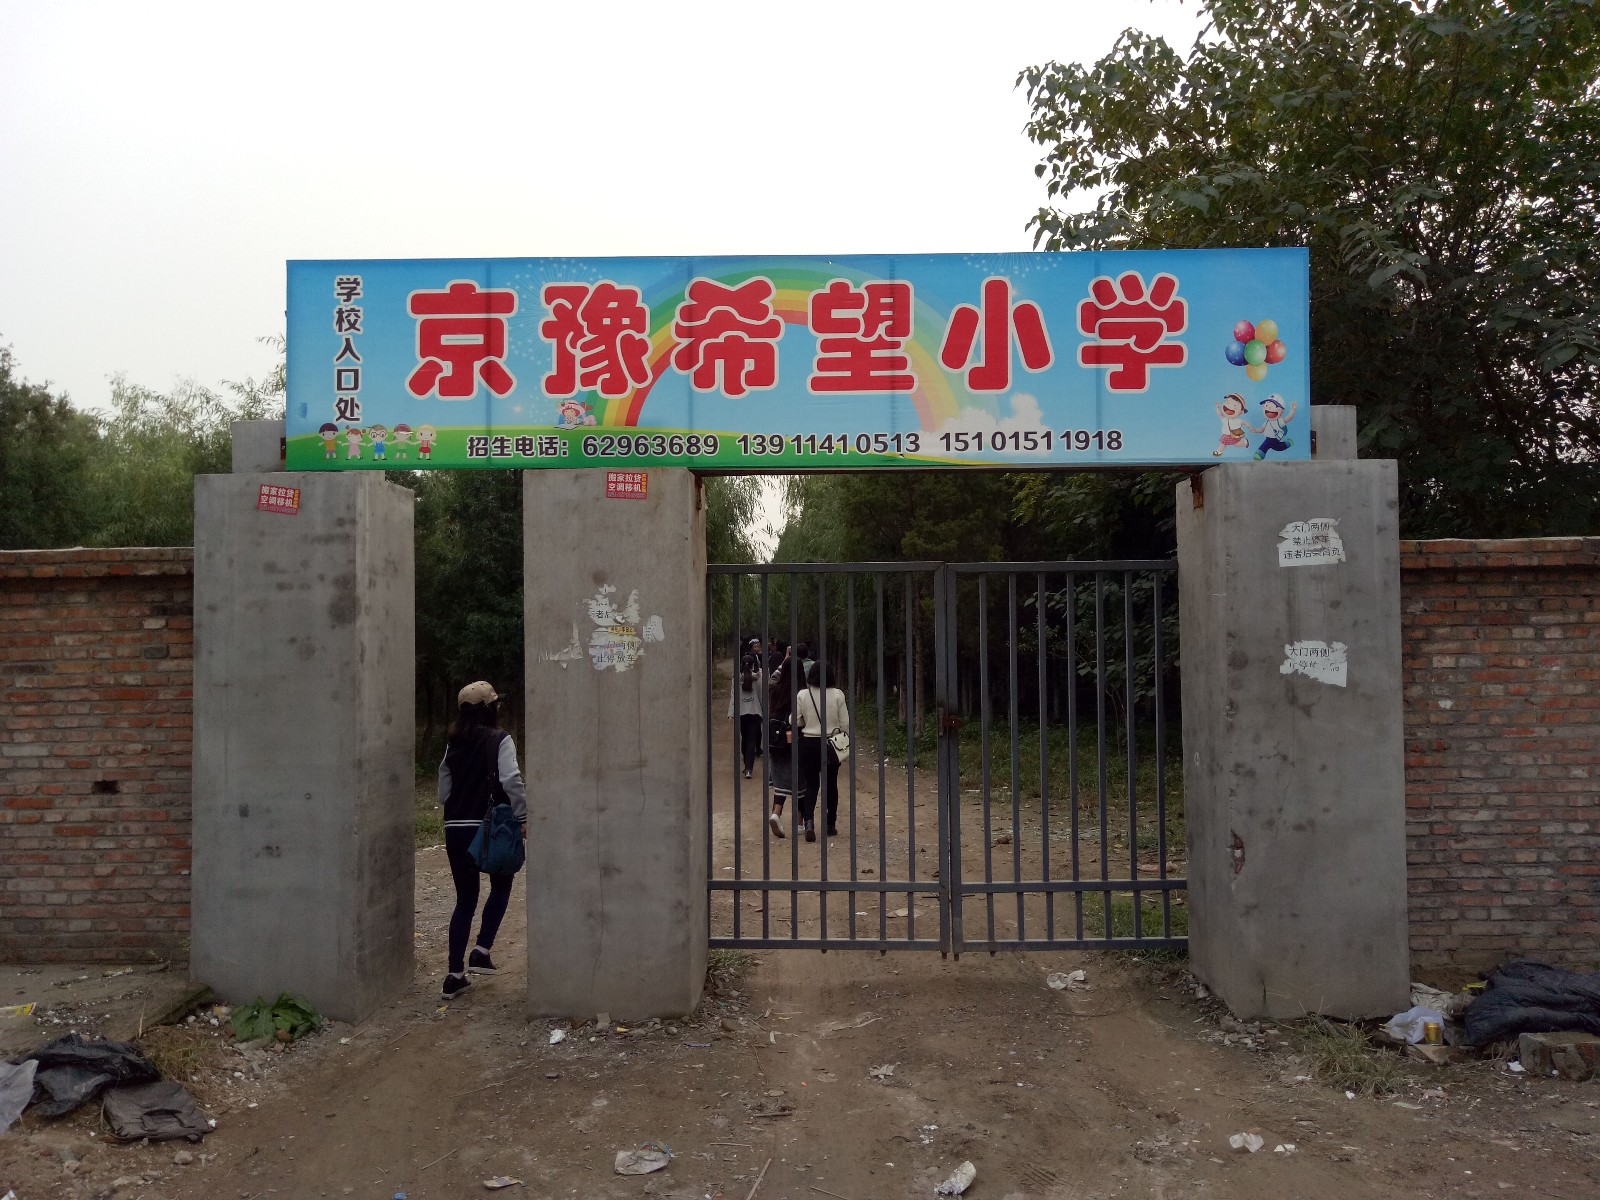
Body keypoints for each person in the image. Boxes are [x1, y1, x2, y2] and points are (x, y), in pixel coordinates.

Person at [437, 680, 527, 1000]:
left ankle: (454, 975)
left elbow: (443, 792)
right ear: (490, 708)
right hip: (490, 827)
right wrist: (523, 816)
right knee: (501, 884)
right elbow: (511, 780)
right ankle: (481, 950)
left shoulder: (452, 744)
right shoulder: (500, 739)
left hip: (455, 828)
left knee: (465, 899)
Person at [795, 659, 850, 842]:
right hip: (831, 745)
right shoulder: (838, 695)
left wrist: (807, 721)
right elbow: (845, 724)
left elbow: (794, 720)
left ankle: (809, 822)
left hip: (809, 743)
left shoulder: (803, 695)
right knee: (831, 785)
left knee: (811, 784)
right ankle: (830, 825)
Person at [765, 641, 797, 838]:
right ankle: (802, 822)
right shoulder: (801, 692)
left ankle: (776, 813)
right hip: (795, 739)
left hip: (776, 739)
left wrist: (785, 660)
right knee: (801, 781)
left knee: (780, 781)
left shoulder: (775, 690)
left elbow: (773, 678)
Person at [729, 638, 765, 779]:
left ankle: (746, 763)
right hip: (755, 712)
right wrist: (764, 710)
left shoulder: (736, 678)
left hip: (741, 713)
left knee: (744, 738)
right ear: (753, 664)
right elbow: (761, 696)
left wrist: (731, 712)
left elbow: (734, 696)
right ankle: (749, 768)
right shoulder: (759, 677)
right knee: (752, 739)